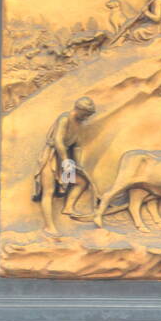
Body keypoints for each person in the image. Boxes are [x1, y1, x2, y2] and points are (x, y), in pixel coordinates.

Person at [32, 96, 97, 234]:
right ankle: (49, 226)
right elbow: (58, 141)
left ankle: (68, 207)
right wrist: (66, 161)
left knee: (81, 182)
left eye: (88, 115)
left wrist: (79, 165)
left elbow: (77, 146)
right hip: (52, 157)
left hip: (66, 159)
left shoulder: (80, 125)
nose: (86, 117)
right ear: (79, 109)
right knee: (48, 191)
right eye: (86, 114)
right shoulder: (64, 118)